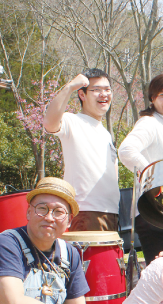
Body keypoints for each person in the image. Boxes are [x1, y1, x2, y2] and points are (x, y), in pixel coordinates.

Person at [118, 73, 163, 264]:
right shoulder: (150, 122)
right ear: (152, 98)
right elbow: (127, 150)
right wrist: (156, 179)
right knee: (162, 274)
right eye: (162, 95)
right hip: (155, 211)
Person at [44, 69, 119, 232]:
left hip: (110, 212)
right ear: (82, 95)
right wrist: (70, 86)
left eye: (107, 89)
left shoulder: (105, 133)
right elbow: (49, 123)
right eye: (96, 90)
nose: (103, 94)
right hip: (85, 210)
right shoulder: (73, 121)